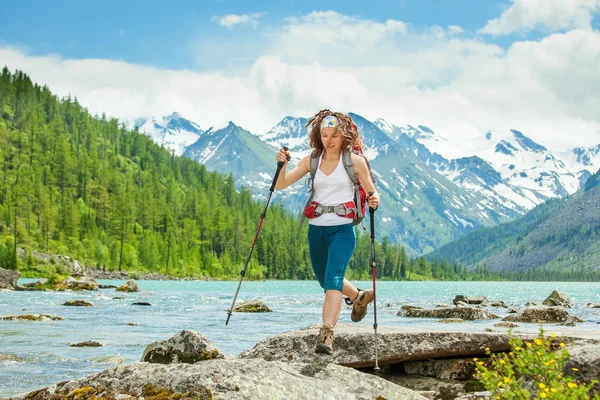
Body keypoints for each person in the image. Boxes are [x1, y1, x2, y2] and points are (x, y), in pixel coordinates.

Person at [275, 109, 380, 355]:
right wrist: (281, 164)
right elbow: (281, 184)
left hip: (342, 231)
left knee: (332, 281)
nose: (329, 140)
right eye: (324, 135)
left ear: (344, 136)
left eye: (334, 135)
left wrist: (374, 199)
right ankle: (358, 296)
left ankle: (326, 334)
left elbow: (372, 191)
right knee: (324, 279)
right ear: (318, 135)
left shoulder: (354, 161)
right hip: (316, 230)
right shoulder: (311, 161)